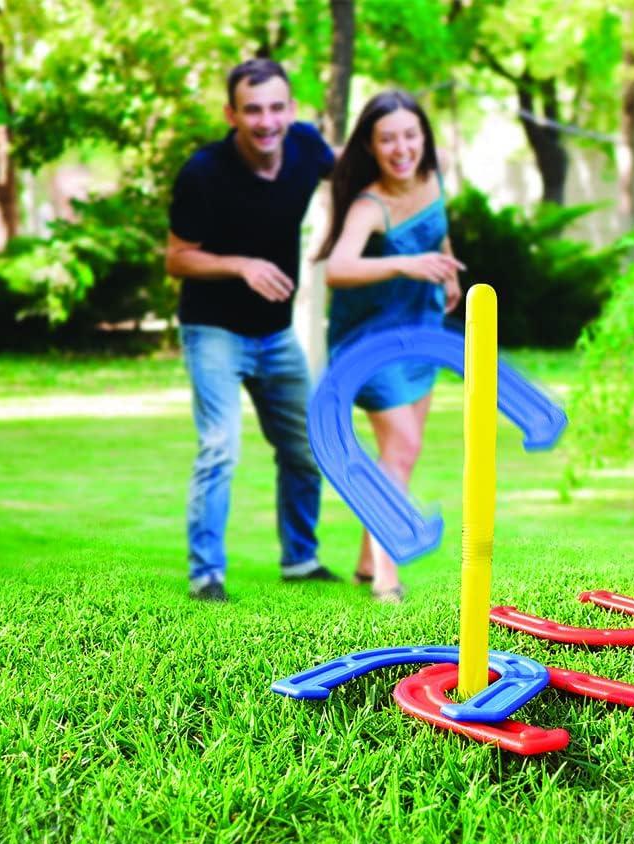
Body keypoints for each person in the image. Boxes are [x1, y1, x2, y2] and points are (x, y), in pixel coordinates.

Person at [166, 59, 340, 602]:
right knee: (220, 447)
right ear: (232, 114)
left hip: (275, 333)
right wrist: (240, 265)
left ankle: (300, 559)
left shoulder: (308, 147)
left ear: (291, 110)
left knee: (306, 447)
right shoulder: (204, 173)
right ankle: (206, 575)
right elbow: (177, 259)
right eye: (253, 109)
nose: (266, 121)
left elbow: (358, 181)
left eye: (275, 107)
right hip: (214, 330)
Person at [317, 90, 465, 605]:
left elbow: (437, 231)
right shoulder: (369, 204)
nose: (401, 148)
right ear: (372, 146)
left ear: (423, 136)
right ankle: (387, 579)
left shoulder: (432, 178)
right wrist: (405, 264)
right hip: (369, 345)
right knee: (402, 448)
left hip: (419, 330)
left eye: (409, 135)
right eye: (387, 139)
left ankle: (364, 565)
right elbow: (337, 269)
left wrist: (444, 269)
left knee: (400, 454)